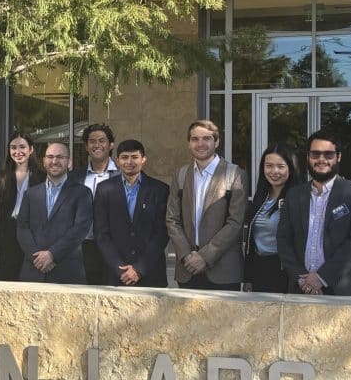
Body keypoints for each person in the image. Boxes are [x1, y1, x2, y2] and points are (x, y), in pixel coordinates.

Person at [277, 131, 351, 297]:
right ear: (308, 157)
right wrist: (302, 279)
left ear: (338, 157)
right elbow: (283, 239)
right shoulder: (293, 195)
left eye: (328, 154)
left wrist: (321, 278)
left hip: (346, 290)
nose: (321, 159)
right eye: (315, 154)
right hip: (302, 289)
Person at [166, 119, 247, 290]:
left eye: (207, 138)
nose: (200, 144)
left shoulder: (235, 174)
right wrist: (186, 256)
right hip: (187, 269)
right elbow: (172, 220)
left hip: (223, 271)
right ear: (188, 143)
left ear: (216, 142)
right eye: (195, 139)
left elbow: (235, 223)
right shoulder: (180, 175)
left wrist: (204, 257)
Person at [93, 139, 169, 287]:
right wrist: (119, 268)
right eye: (124, 157)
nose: (129, 162)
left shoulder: (160, 189)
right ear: (117, 160)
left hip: (150, 273)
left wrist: (139, 268)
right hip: (116, 274)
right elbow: (101, 234)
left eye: (134, 157)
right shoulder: (104, 189)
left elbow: (162, 233)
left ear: (143, 159)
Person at [16, 141, 92, 284]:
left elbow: (80, 229)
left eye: (60, 157)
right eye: (50, 157)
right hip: (33, 271)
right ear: (44, 161)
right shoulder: (30, 194)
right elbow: (22, 228)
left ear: (69, 162)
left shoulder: (82, 193)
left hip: (67, 272)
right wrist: (38, 259)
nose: (54, 161)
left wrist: (52, 255)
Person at [242, 144, 301, 293]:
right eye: (269, 166)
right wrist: (248, 277)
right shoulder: (260, 196)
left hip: (285, 271)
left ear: (291, 168)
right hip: (259, 268)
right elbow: (251, 241)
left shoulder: (299, 198)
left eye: (281, 166)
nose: (274, 171)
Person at [68, 123, 119, 285]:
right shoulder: (74, 177)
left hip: (115, 247)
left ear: (111, 145)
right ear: (86, 147)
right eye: (92, 141)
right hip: (83, 247)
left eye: (102, 140)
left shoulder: (123, 174)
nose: (97, 145)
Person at [0, 132, 45, 281]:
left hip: (32, 236)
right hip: (8, 235)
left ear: (31, 149)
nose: (18, 151)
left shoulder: (42, 177)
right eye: (13, 147)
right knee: (8, 279)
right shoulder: (1, 177)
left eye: (22, 147)